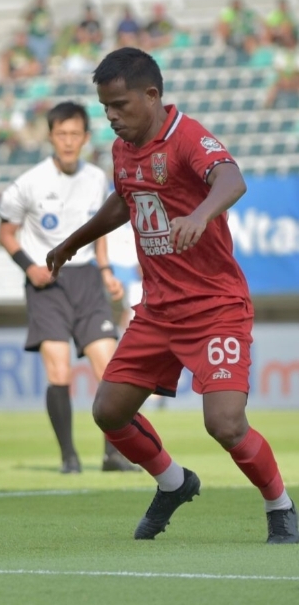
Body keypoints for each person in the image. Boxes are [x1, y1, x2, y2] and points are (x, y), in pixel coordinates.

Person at [47, 47, 298, 544]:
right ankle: (173, 482)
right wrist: (75, 240)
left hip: (214, 308)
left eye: (120, 105)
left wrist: (201, 214)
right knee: (108, 412)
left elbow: (232, 178)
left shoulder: (187, 137)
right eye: (105, 108)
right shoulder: (124, 148)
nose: (112, 117)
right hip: (159, 310)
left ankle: (281, 507)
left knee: (225, 424)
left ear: (152, 94)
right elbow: (125, 197)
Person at [0, 101, 135, 475]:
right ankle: (69, 457)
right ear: (51, 137)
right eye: (62, 134)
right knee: (58, 370)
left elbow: (100, 232)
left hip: (88, 279)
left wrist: (106, 271)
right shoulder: (29, 183)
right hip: (48, 283)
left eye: (75, 134)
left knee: (110, 369)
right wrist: (30, 268)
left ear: (86, 138)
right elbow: (6, 233)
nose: (69, 141)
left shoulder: (96, 179)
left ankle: (113, 455)